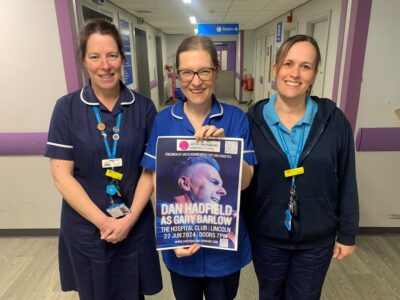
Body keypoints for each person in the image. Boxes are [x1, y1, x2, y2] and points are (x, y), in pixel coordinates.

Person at [132, 35, 257, 300]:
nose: (196, 81)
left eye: (204, 71)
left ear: (217, 71)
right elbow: (156, 178)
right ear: (177, 75)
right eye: (187, 72)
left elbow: (246, 181)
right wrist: (171, 235)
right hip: (182, 249)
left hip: (224, 252)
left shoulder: (235, 118)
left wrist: (227, 152)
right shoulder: (164, 120)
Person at [45, 18, 162, 300]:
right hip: (87, 227)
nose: (105, 65)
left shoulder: (143, 107)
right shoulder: (67, 108)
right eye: (95, 57)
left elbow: (151, 170)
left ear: (122, 58)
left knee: (133, 292)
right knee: (94, 292)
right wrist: (103, 222)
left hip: (134, 223)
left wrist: (128, 219)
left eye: (111, 55)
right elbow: (62, 174)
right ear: (84, 61)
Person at [244, 34, 359, 299]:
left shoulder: (333, 120)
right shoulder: (251, 121)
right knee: (270, 294)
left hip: (317, 238)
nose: (295, 73)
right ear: (275, 69)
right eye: (288, 64)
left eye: (305, 66)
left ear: (314, 75)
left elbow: (347, 178)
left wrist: (348, 232)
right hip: (266, 235)